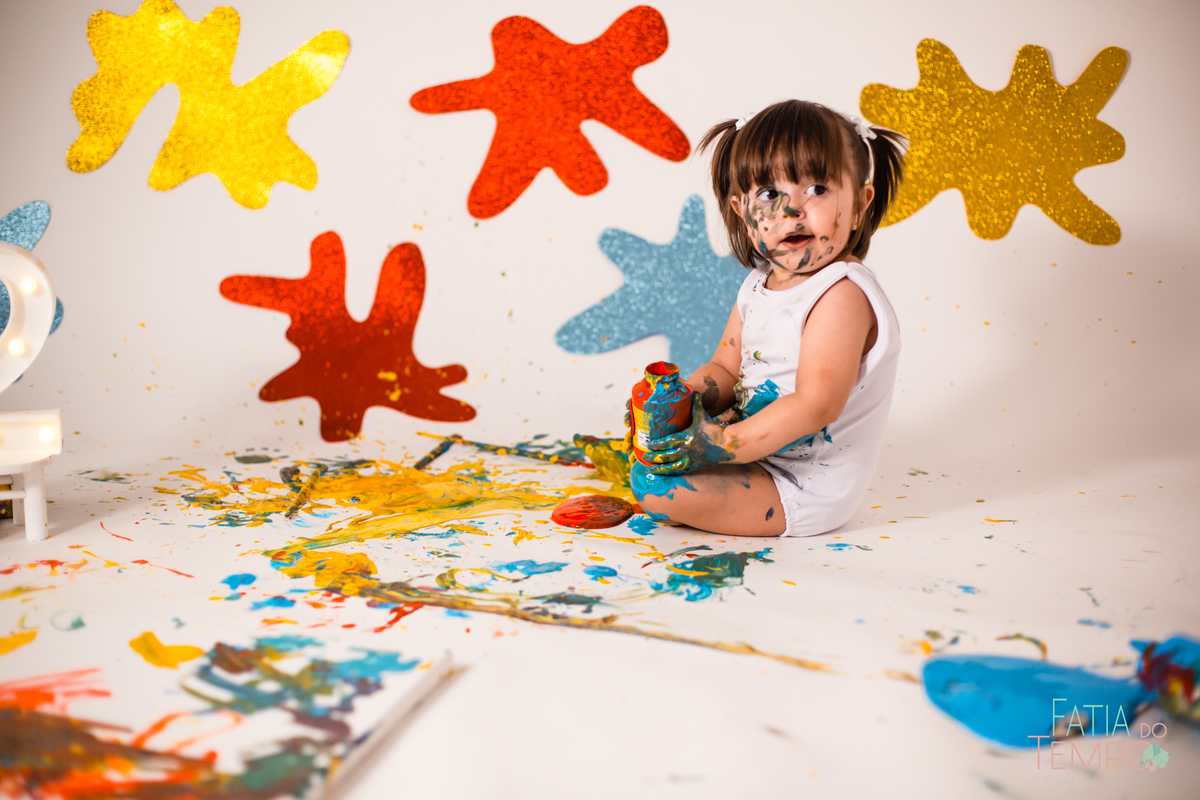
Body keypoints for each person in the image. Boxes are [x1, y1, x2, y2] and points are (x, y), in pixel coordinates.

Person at [627, 100, 908, 537]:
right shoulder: (758, 284)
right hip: (754, 452)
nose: (792, 211)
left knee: (656, 489)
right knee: (651, 464)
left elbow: (816, 404)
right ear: (741, 210)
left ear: (860, 204)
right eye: (768, 194)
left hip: (803, 486)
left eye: (817, 189)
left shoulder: (841, 294)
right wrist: (678, 400)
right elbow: (725, 368)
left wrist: (720, 444)